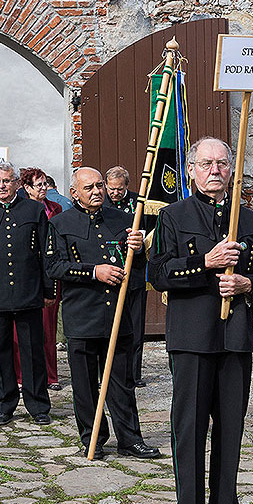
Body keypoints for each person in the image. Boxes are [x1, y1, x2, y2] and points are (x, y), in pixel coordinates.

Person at [148, 137, 253, 504]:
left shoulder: (250, 221)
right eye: (206, 163)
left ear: (232, 170)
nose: (215, 170)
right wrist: (203, 263)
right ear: (190, 170)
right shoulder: (173, 216)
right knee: (188, 429)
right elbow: (158, 274)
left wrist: (245, 283)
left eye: (222, 163)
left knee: (230, 429)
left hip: (234, 337)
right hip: (190, 337)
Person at [46, 167, 161, 460]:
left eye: (99, 185)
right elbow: (54, 267)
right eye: (89, 188)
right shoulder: (60, 223)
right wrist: (93, 272)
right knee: (84, 386)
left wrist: (138, 250)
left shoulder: (122, 220)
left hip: (116, 314)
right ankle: (93, 437)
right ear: (74, 193)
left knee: (120, 383)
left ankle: (130, 438)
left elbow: (134, 266)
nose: (97, 191)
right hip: (82, 316)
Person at [0, 161, 53, 426]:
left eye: (6, 181)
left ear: (16, 182)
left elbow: (46, 254)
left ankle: (37, 404)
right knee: (0, 351)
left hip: (28, 292)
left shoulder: (34, 210)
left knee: (32, 352)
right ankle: (4, 403)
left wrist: (49, 289)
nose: (1, 186)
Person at [13, 167, 62, 390]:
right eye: (38, 185)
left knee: (48, 327)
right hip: (28, 275)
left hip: (50, 272)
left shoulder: (55, 208)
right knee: (22, 329)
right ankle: (22, 374)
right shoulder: (22, 209)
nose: (43, 188)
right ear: (27, 188)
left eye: (44, 184)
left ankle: (51, 375)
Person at [104, 166, 148, 388]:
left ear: (126, 186)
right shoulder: (100, 203)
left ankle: (133, 372)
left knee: (135, 326)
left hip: (135, 273)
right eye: (111, 189)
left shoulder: (138, 203)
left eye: (119, 189)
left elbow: (148, 233)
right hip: (110, 272)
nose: (115, 193)